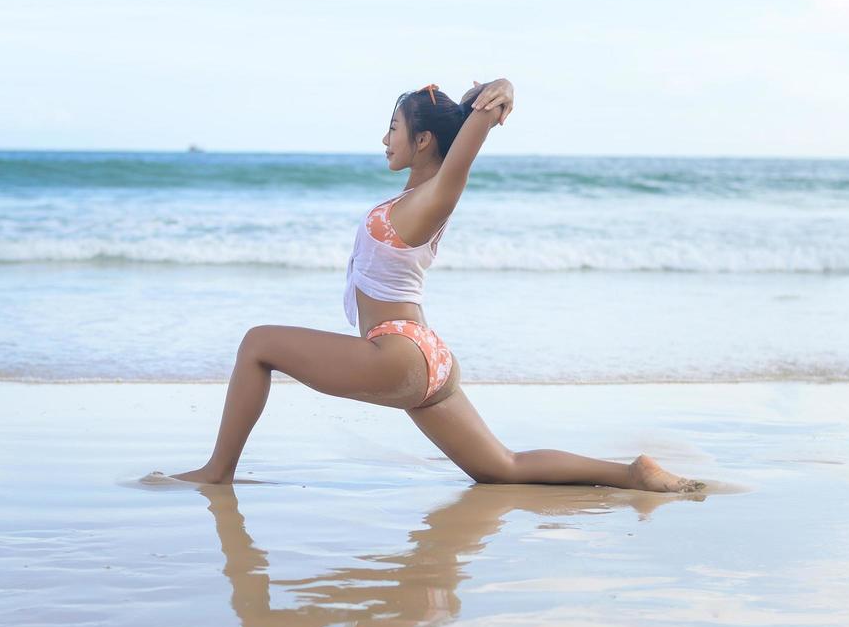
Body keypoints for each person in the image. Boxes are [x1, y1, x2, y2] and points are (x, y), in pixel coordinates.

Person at [172, 79, 703, 492]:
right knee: (503, 468)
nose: (385, 139)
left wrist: (500, 95)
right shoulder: (406, 201)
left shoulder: (433, 198)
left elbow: (466, 150)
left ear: (422, 139)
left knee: (257, 344)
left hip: (399, 352)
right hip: (426, 357)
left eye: (394, 127)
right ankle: (632, 474)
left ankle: (218, 471)